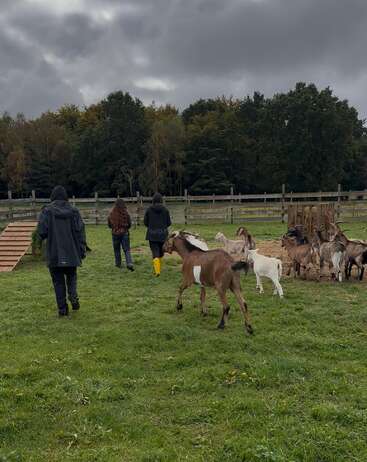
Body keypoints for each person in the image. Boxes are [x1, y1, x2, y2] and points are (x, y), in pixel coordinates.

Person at [37, 185, 86, 317]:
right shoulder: (74, 211)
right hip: (72, 251)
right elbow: (80, 230)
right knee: (72, 276)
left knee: (58, 282)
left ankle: (62, 310)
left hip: (54, 252)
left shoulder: (46, 211)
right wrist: (82, 249)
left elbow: (42, 231)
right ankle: (73, 296)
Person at [144, 192, 171, 276]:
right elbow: (169, 223)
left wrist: (151, 226)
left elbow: (145, 222)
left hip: (152, 234)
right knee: (161, 252)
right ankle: (158, 267)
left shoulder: (149, 210)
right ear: (161, 200)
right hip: (163, 234)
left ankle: (157, 271)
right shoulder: (165, 210)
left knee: (155, 252)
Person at [108, 198, 134, 271]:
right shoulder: (126, 213)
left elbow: (109, 224)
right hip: (124, 232)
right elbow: (129, 224)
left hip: (115, 233)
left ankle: (118, 263)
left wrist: (114, 228)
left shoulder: (112, 214)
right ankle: (129, 263)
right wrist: (126, 228)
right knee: (127, 249)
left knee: (116, 249)